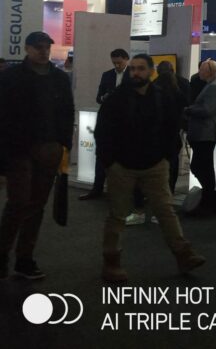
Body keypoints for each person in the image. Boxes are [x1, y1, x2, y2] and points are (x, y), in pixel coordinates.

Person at [95, 53, 204, 282]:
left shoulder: (162, 97)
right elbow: (103, 131)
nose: (135, 72)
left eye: (141, 68)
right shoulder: (116, 99)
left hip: (155, 165)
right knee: (117, 215)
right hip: (121, 166)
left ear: (151, 71)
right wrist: (110, 162)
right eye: (133, 68)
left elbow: (171, 128)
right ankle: (111, 262)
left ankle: (183, 254)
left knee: (165, 210)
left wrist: (166, 157)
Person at [0, 31, 74, 280]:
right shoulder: (11, 77)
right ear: (28, 49)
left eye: (46, 47)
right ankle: (4, 255)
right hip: (19, 149)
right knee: (19, 202)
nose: (44, 51)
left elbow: (67, 111)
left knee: (36, 205)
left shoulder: (59, 78)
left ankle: (24, 258)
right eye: (39, 47)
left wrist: (63, 144)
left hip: (49, 148)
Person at [80, 48, 131, 201]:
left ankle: (124, 193)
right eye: (114, 63)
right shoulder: (107, 75)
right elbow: (99, 97)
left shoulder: (133, 75)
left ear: (126, 60)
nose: (117, 65)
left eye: (119, 62)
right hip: (108, 121)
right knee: (102, 156)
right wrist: (104, 97)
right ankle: (97, 188)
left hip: (126, 122)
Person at [184, 59, 216, 215]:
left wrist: (189, 110)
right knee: (205, 167)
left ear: (209, 71)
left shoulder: (213, 86)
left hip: (205, 132)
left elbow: (208, 110)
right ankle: (210, 200)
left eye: (202, 70)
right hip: (207, 132)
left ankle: (210, 200)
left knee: (200, 166)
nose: (199, 73)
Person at [154, 61, 189, 194]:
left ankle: (159, 189)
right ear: (173, 70)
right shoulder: (182, 84)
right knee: (173, 160)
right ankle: (170, 188)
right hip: (174, 129)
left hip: (157, 130)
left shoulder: (154, 85)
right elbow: (187, 103)